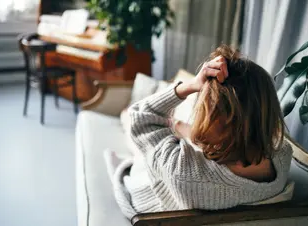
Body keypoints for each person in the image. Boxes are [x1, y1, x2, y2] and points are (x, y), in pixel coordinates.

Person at [107, 45, 293, 219]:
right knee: (177, 128)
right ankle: (176, 125)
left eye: (204, 107)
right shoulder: (282, 157)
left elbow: (140, 117)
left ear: (223, 119)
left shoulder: (184, 172)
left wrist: (191, 85)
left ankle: (167, 125)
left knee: (133, 135)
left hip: (149, 192)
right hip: (202, 159)